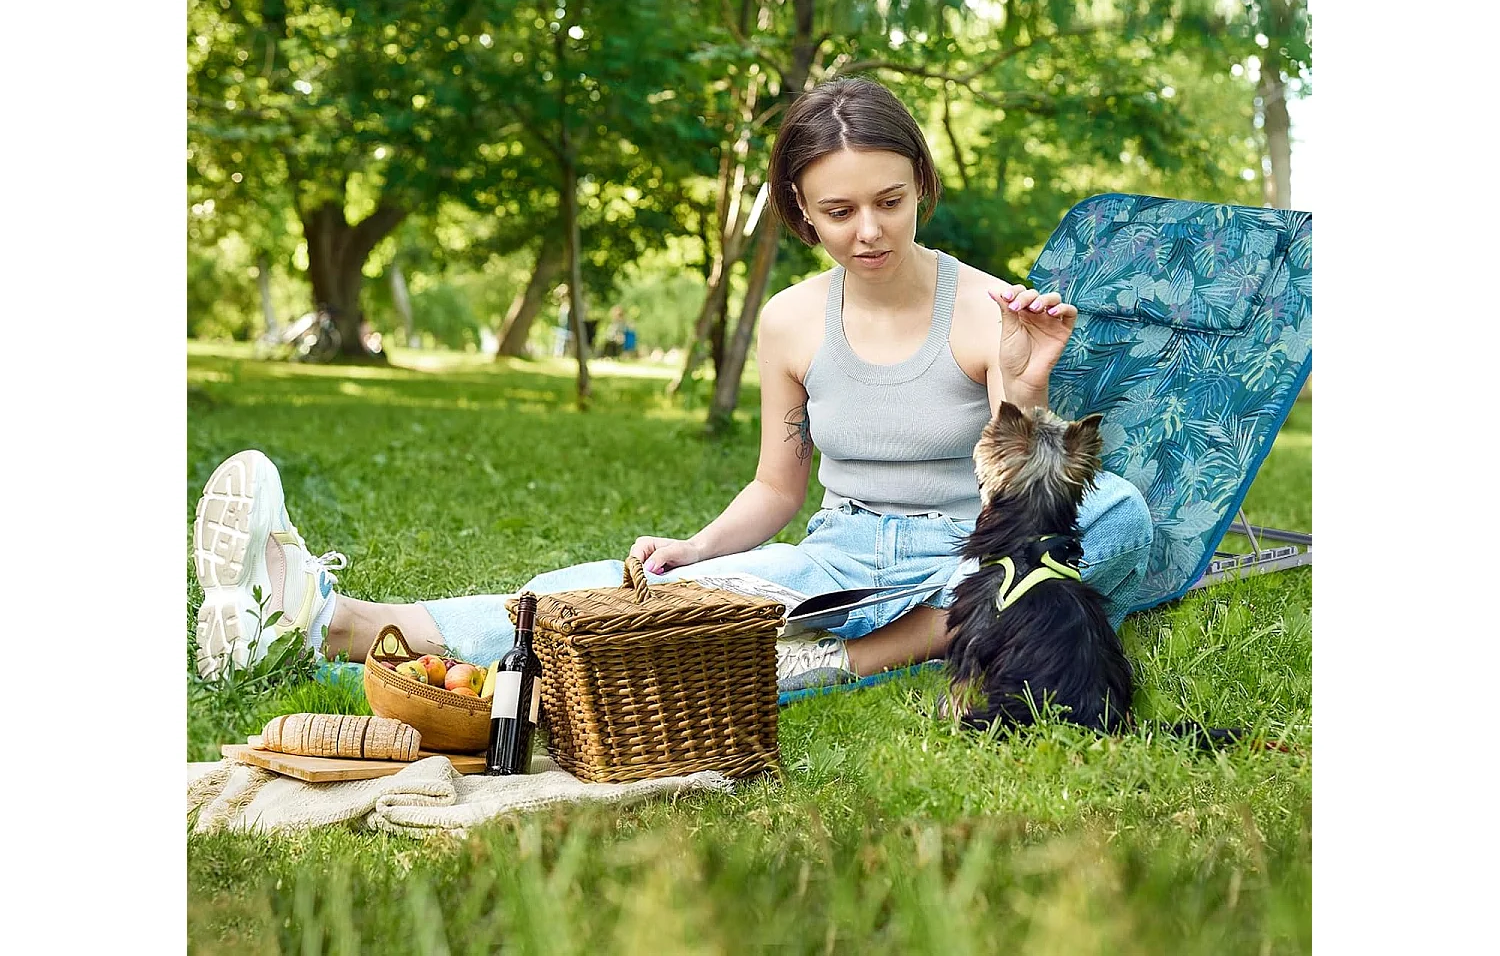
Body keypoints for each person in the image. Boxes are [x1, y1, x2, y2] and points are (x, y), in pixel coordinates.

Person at [191, 78, 1153, 692]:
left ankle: (867, 655)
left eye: (890, 201)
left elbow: (1014, 505)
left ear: (921, 187)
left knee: (1121, 517)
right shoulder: (789, 321)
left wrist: (1025, 388)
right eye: (839, 209)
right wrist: (693, 550)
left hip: (966, 556)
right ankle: (326, 619)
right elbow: (781, 489)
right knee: (633, 597)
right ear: (799, 213)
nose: (870, 229)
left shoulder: (988, 307)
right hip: (843, 555)